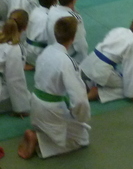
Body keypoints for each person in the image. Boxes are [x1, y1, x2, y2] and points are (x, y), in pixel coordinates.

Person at [18, 16, 91, 161]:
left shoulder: (46, 51)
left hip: (36, 104)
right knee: (82, 139)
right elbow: (80, 100)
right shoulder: (67, 62)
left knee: (67, 127)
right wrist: (81, 116)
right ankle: (38, 140)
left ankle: (42, 132)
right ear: (73, 38)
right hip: (52, 109)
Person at [79, 12, 133, 104]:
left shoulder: (119, 30)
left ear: (132, 22)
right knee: (125, 87)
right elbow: (130, 69)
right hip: (100, 71)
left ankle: (90, 84)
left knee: (117, 74)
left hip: (88, 63)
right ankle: (97, 93)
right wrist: (132, 94)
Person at [47, 0, 87, 64]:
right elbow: (80, 45)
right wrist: (85, 58)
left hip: (52, 51)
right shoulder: (74, 18)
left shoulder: (52, 9)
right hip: (70, 57)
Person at [25, 0, 58, 68]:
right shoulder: (49, 18)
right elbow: (53, 40)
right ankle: (35, 65)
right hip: (38, 54)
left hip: (26, 49)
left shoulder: (35, 10)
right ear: (54, 2)